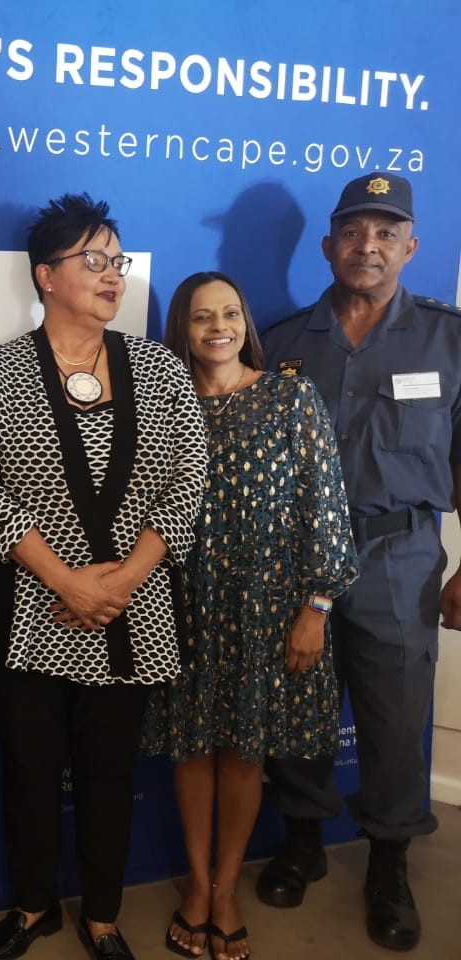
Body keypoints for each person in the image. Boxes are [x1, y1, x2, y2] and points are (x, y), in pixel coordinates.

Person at [0, 193, 207, 960]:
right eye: (92, 260)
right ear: (46, 275)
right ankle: (34, 907)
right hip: (27, 610)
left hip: (130, 612)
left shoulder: (159, 368)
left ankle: (102, 916)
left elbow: (188, 474)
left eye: (117, 261)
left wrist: (122, 580)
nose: (111, 276)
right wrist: (66, 580)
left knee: (107, 774)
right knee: (28, 771)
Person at [257, 173, 461, 952]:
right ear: (328, 245)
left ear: (410, 246)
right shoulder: (280, 342)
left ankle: (389, 861)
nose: (366, 246)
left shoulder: (449, 339)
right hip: (297, 556)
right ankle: (303, 840)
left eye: (385, 233)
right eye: (353, 231)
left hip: (397, 553)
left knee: (395, 711)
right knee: (299, 704)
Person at [142, 271, 359, 960]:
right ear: (183, 327)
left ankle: (228, 887)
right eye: (202, 316)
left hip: (268, 609)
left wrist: (316, 607)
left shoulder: (291, 397)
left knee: (242, 751)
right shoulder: (164, 409)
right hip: (183, 606)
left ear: (246, 323)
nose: (218, 326)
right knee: (191, 747)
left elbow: (325, 510)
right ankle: (198, 886)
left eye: (230, 312)